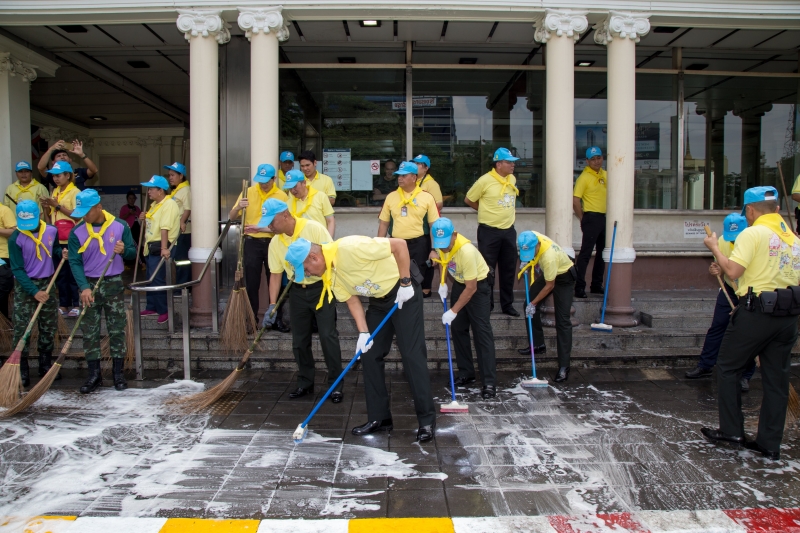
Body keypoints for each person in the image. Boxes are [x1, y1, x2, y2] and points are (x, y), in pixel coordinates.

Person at [285, 235, 436, 442]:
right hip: (379, 301)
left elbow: (399, 245)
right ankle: (379, 418)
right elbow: (352, 300)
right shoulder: (330, 275)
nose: (308, 274)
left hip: (403, 291)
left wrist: (405, 282)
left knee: (411, 355)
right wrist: (363, 333)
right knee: (369, 353)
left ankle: (426, 420)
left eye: (307, 269)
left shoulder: (350, 248)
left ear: (313, 257)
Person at [701, 186, 800, 461]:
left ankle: (732, 431)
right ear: (777, 209)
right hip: (788, 315)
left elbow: (733, 271)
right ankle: (770, 444)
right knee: (777, 379)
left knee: (727, 367)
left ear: (751, 210)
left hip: (756, 313)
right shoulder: (793, 238)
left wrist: (714, 249)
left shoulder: (752, 233)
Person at [255, 199, 343, 402]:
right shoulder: (275, 243)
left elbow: (331, 256)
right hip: (296, 292)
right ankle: (305, 383)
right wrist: (272, 306)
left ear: (285, 215)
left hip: (321, 288)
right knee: (299, 341)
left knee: (328, 337)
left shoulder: (313, 228)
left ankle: (335, 386)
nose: (269, 226)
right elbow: (275, 275)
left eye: (272, 221)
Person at [68, 189, 137, 393]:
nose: (83, 215)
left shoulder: (119, 225)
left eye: (86, 211)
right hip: (88, 285)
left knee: (117, 329)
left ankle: (118, 374)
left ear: (98, 207)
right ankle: (94, 375)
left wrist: (124, 250)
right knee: (90, 331)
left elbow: (133, 254)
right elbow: (74, 261)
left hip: (113, 282)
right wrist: (84, 287)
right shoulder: (77, 232)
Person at [685, 213, 757, 390]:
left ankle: (745, 375)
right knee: (718, 326)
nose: (733, 240)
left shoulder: (754, 241)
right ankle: (706, 365)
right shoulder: (723, 241)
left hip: (751, 292)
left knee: (748, 333)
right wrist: (715, 268)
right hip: (730, 289)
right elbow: (721, 266)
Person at [430, 217, 496, 398]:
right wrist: (441, 278)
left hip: (478, 287)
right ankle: (466, 373)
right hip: (460, 284)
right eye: (439, 244)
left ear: (455, 235)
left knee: (482, 333)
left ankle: (489, 382)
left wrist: (453, 311)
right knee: (459, 329)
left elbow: (472, 288)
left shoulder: (466, 251)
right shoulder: (441, 244)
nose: (444, 247)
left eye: (446, 244)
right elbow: (438, 256)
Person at [8, 200, 62, 387]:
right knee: (23, 329)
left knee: (48, 327)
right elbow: (17, 269)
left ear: (39, 215)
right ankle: (22, 369)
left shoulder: (51, 231)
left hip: (48, 283)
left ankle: (45, 365)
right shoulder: (15, 238)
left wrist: (60, 252)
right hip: (26, 286)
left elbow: (53, 248)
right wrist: (33, 291)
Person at [229, 163, 289, 330]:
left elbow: (286, 222)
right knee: (251, 282)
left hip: (273, 241)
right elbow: (232, 215)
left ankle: (276, 318)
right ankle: (251, 319)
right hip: (252, 242)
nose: (263, 185)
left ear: (274, 179)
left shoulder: (281, 195)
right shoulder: (248, 192)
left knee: (276, 280)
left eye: (266, 181)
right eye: (260, 181)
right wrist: (239, 207)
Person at [464, 147, 520, 317]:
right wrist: (484, 210)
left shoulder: (512, 178)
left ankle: (507, 304)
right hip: (489, 232)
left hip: (508, 231)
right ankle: (487, 304)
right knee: (487, 270)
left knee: (509, 269)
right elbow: (469, 199)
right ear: (498, 164)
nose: (512, 165)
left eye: (513, 162)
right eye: (509, 162)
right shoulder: (485, 180)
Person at [517, 230, 576, 383]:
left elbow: (550, 286)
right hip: (549, 273)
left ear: (537, 245)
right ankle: (537, 345)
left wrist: (534, 303)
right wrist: (527, 261)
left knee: (562, 320)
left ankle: (564, 366)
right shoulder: (530, 236)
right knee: (527, 305)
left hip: (564, 277)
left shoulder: (549, 257)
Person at [378, 161, 439, 295]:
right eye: (399, 175)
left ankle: (415, 310)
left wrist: (434, 249)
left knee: (417, 280)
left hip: (419, 244)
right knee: (396, 278)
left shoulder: (426, 197)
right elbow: (384, 223)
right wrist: (377, 245)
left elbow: (433, 225)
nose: (400, 178)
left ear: (414, 177)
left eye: (404, 175)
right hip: (396, 243)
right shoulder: (391, 197)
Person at [39, 161, 80, 317]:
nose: (55, 178)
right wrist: (46, 206)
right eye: (53, 176)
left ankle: (76, 303)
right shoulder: (55, 191)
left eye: (58, 175)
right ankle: (64, 304)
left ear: (67, 175)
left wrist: (57, 206)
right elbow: (50, 217)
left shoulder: (75, 192)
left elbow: (78, 215)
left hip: (71, 238)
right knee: (60, 274)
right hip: (57, 238)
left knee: (72, 273)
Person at [138, 175, 179, 324]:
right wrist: (142, 218)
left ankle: (164, 310)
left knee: (157, 278)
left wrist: (164, 248)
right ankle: (152, 306)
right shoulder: (155, 205)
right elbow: (151, 225)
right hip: (151, 246)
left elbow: (164, 228)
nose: (148, 191)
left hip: (161, 246)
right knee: (150, 277)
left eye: (151, 189)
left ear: (161, 190)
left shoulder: (169, 204)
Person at [573, 146, 607, 299]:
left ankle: (596, 285)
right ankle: (579, 287)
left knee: (602, 253)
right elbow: (575, 200)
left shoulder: (606, 175)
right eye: (592, 159)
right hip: (591, 217)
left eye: (598, 158)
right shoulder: (584, 177)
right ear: (586, 161)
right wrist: (582, 217)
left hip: (605, 217)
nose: (596, 161)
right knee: (586, 253)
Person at [412, 154, 444, 298]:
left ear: (426, 168)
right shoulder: (411, 182)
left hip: (427, 226)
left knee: (427, 258)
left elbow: (439, 204)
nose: (416, 165)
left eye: (419, 164)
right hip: (414, 225)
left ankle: (426, 288)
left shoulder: (431, 183)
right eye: (414, 163)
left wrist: (422, 208)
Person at [283, 169, 335, 237]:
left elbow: (330, 221)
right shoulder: (288, 203)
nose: (292, 190)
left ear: (304, 183)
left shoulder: (320, 197)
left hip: (320, 242)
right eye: (290, 188)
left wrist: (328, 242)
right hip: (299, 244)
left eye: (295, 186)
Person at [164, 162, 191, 286]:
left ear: (181, 176)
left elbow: (187, 208)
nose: (170, 177)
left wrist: (182, 221)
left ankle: (183, 286)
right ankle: (180, 285)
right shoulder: (176, 191)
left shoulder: (185, 190)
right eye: (169, 175)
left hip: (183, 231)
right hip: (175, 231)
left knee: (182, 260)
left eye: (173, 175)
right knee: (178, 260)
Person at [0, 200, 17, 320]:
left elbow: (14, 231)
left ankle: (4, 321)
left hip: (3, 256)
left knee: (2, 291)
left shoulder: (4, 210)